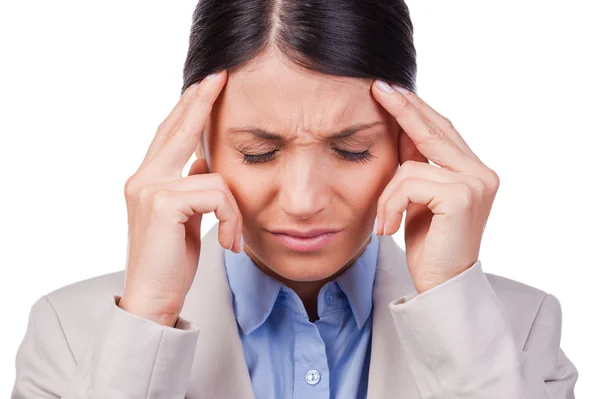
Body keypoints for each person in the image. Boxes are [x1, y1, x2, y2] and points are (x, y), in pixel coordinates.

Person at [11, 0, 578, 398]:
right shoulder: (71, 332)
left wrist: (454, 302)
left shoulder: (521, 328)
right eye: (259, 152)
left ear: (408, 148)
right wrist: (149, 315)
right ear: (200, 147)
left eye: (352, 150)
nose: (304, 200)